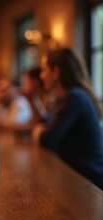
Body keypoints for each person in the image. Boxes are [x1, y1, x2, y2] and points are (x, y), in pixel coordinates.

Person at [32, 48, 103, 189]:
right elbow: (44, 122)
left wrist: (39, 132)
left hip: (89, 180)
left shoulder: (74, 97)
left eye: (45, 70)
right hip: (77, 175)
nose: (41, 76)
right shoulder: (68, 96)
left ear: (56, 72)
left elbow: (47, 140)